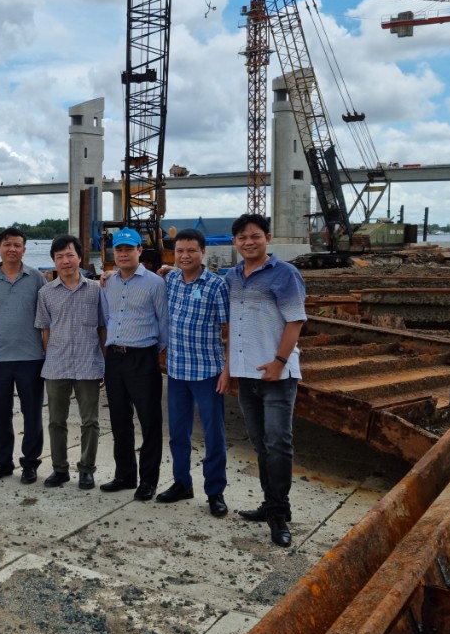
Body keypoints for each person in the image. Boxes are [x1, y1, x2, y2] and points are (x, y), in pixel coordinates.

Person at [226, 212, 306, 548]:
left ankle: (278, 514)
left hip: (277, 374)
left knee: (278, 444)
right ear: (235, 242)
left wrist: (279, 361)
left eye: (255, 236)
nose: (248, 242)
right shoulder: (232, 277)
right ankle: (270, 504)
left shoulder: (285, 274)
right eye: (242, 237)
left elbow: (295, 321)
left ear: (267, 238)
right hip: (246, 375)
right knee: (261, 445)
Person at [157, 228, 231, 516]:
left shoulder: (216, 285)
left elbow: (229, 330)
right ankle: (181, 483)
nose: (185, 256)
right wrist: (109, 275)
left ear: (203, 253)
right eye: (179, 251)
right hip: (176, 371)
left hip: (208, 372)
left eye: (191, 251)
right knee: (178, 433)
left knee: (214, 435)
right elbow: (136, 277)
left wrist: (227, 370)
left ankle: (215, 492)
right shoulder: (170, 279)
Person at [99, 227, 167, 501]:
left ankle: (148, 480)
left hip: (143, 356)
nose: (124, 254)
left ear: (140, 250)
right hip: (115, 357)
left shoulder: (154, 283)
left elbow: (164, 324)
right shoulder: (108, 283)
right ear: (113, 253)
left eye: (129, 249)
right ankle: (125, 475)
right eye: (119, 249)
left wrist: (153, 352)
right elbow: (107, 317)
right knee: (119, 420)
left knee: (149, 421)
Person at [35, 234, 106, 490]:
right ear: (54, 260)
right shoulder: (46, 293)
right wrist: (50, 355)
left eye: (70, 255)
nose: (65, 261)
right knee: (56, 421)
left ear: (80, 257)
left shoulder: (96, 290)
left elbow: (102, 328)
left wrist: (104, 365)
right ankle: (59, 469)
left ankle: (87, 469)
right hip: (56, 365)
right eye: (59, 256)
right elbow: (45, 330)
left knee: (90, 421)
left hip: (89, 364)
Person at [0, 227, 46, 484]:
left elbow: (45, 317)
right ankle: (2, 462)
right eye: (7, 244)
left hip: (30, 358)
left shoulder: (37, 278)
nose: (12, 249)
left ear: (24, 249)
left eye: (17, 245)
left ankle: (30, 463)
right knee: (0, 414)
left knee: (32, 414)